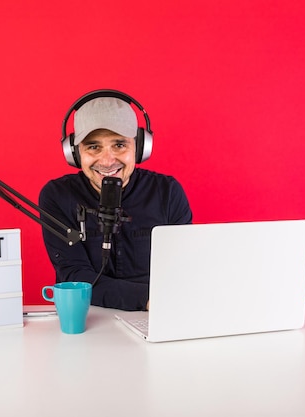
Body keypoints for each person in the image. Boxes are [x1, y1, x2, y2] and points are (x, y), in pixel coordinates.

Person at [39, 90, 192, 311]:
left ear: (139, 147)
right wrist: (148, 299)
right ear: (74, 152)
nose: (108, 160)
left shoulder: (167, 192)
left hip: (160, 313)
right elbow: (74, 276)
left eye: (119, 145)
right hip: (92, 316)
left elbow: (184, 268)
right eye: (93, 147)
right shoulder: (57, 196)